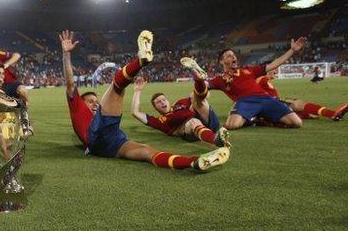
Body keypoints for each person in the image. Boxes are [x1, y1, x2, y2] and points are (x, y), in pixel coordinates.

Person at [60, 30, 230, 171]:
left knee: (148, 152)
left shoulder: (179, 106)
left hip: (111, 143)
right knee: (116, 88)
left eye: (95, 100)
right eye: (90, 101)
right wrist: (66, 54)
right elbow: (69, 82)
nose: (95, 103)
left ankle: (194, 161)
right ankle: (141, 60)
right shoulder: (77, 106)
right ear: (80, 102)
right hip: (95, 134)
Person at [207, 39, 307, 129]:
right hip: (245, 102)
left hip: (265, 99)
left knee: (297, 123)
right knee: (232, 125)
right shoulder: (219, 79)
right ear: (222, 61)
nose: (233, 57)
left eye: (234, 55)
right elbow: (205, 85)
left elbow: (273, 64)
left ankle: (258, 118)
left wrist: (292, 50)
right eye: (229, 56)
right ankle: (256, 118)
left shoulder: (249, 70)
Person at [131, 71, 230, 147]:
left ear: (168, 101)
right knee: (193, 121)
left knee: (195, 97)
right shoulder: (160, 121)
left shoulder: (180, 103)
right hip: (190, 129)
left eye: (163, 99)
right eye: (158, 102)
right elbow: (135, 112)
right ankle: (215, 139)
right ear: (156, 108)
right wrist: (137, 90)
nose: (162, 102)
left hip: (209, 120)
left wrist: (199, 98)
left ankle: (198, 78)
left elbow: (205, 96)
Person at [257, 69, 348, 122]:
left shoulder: (264, 80)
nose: (276, 71)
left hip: (272, 104)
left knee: (300, 107)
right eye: (275, 68)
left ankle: (310, 114)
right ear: (268, 70)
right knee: (298, 104)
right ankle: (333, 114)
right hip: (269, 105)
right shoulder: (261, 79)